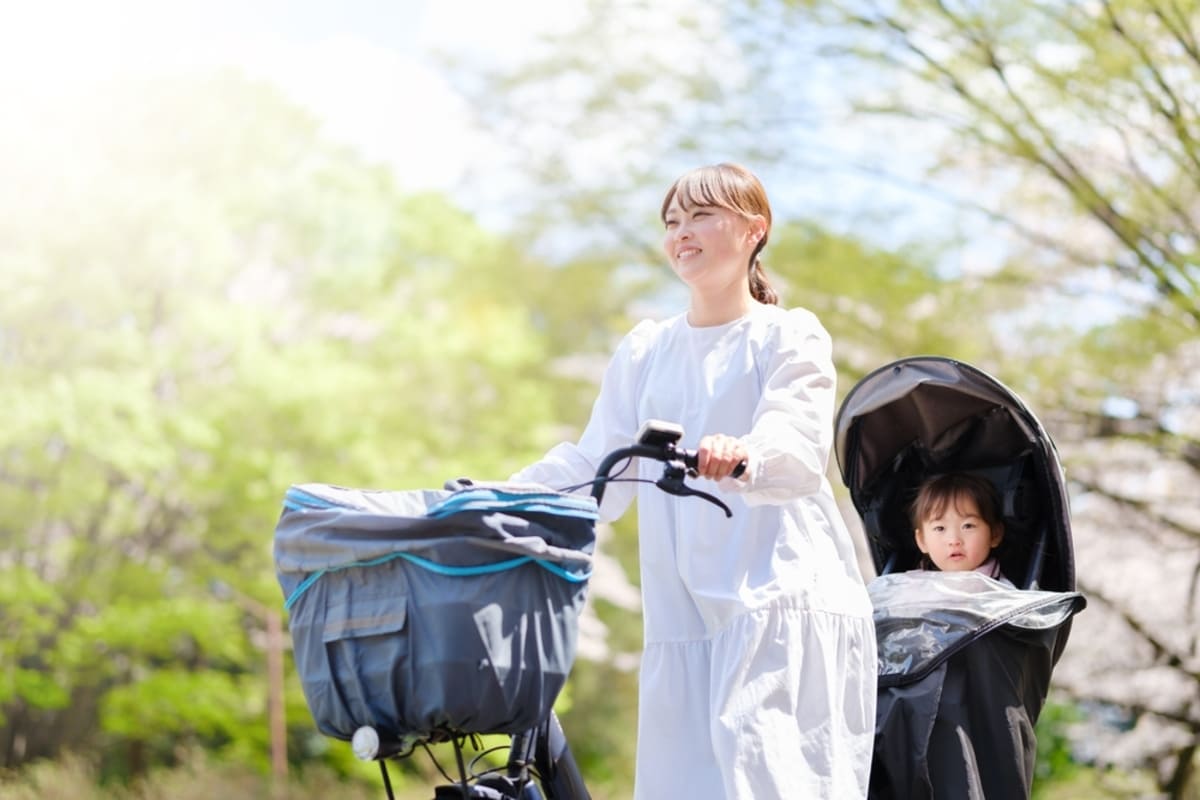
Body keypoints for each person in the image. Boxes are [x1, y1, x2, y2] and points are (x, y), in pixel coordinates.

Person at [511, 163, 876, 799]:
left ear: (753, 231)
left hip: (776, 599)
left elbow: (795, 450)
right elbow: (602, 467)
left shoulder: (787, 335)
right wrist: (496, 499)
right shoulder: (648, 350)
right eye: (673, 221)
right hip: (683, 615)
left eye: (703, 215)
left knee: (768, 783)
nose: (683, 232)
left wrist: (744, 455)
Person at [910, 472, 1012, 585]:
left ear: (994, 534)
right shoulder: (911, 585)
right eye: (940, 528)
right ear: (922, 541)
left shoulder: (1001, 592)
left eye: (968, 526)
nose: (954, 541)